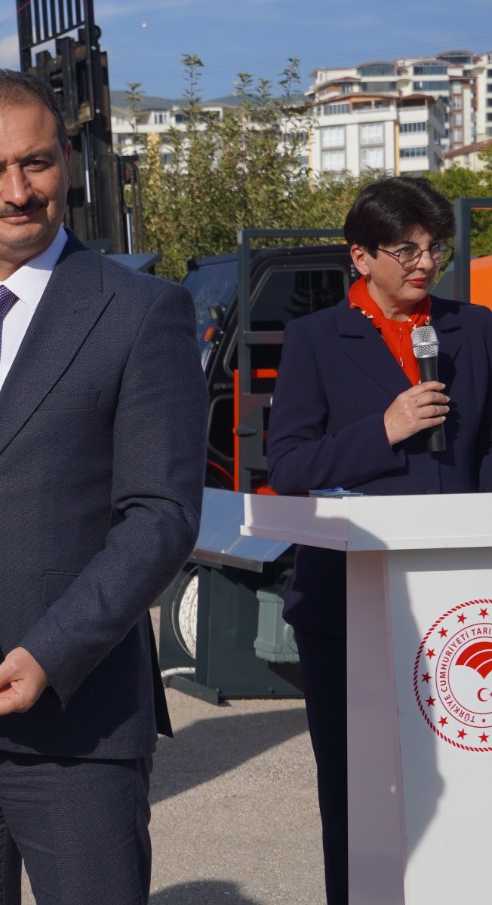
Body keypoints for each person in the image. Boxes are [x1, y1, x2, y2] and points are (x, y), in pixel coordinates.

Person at [0, 70, 206, 905]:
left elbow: (160, 515)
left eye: (37, 162)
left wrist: (49, 654)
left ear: (68, 163)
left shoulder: (143, 310)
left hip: (73, 717)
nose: (17, 191)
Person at [267, 176, 492, 905]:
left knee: (465, 787)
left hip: (460, 605)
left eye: (434, 247)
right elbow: (289, 465)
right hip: (347, 606)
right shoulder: (314, 338)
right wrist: (385, 430)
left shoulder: (474, 329)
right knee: (358, 792)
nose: (426, 263)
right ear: (360, 256)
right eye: (407, 249)